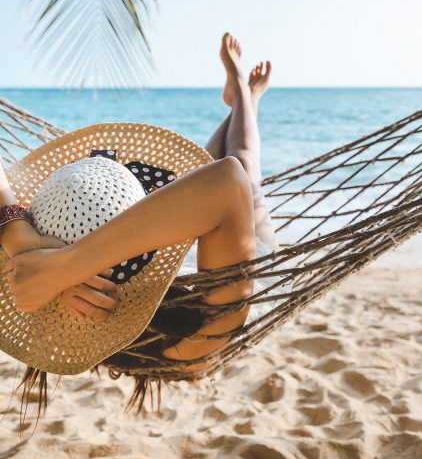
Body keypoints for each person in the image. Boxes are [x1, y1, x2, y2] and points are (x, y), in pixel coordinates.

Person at [1, 32, 275, 365]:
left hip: (175, 233)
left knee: (210, 166)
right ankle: (246, 96)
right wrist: (63, 267)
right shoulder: (197, 336)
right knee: (245, 163)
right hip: (240, 255)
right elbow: (229, 181)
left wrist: (19, 237)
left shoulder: (34, 292)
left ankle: (241, 98)